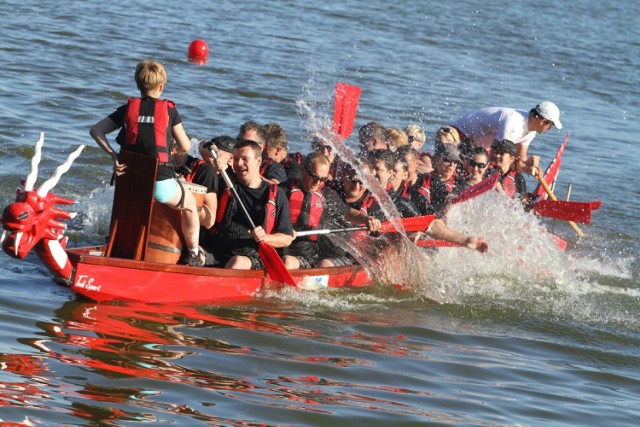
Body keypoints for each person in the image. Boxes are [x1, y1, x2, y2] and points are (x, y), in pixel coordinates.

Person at [89, 59, 204, 266]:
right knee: (190, 207)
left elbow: (96, 131)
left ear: (138, 84)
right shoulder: (170, 111)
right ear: (161, 87)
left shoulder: (126, 109)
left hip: (129, 182)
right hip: (159, 183)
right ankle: (194, 253)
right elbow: (186, 146)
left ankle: (116, 244)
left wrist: (114, 156)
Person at [282, 152, 380, 270]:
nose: (317, 183)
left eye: (322, 179)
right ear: (302, 168)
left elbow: (348, 213)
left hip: (307, 255)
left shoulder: (327, 195)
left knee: (287, 262)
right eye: (314, 177)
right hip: (280, 247)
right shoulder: (283, 190)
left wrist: (367, 219)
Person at [207, 139, 294, 270]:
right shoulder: (226, 180)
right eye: (236, 159)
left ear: (259, 161)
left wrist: (266, 237)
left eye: (245, 159)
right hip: (218, 250)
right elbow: (205, 148)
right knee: (192, 255)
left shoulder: (276, 195)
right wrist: (217, 156)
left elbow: (286, 238)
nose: (239, 164)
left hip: (252, 257)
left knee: (237, 262)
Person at [451, 102, 563, 172]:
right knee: (495, 165)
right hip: (459, 134)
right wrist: (522, 164)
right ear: (543, 121)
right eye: (550, 125)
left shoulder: (531, 131)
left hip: (478, 145)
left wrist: (529, 166)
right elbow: (497, 156)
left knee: (507, 167)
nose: (549, 129)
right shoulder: (513, 122)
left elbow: (521, 157)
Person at [171, 142, 218, 229]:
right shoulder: (152, 161)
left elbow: (210, 222)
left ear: (174, 149)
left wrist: (185, 193)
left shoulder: (204, 170)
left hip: (185, 230)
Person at [414, 143, 461, 214]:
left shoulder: (459, 184)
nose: (451, 165)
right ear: (435, 159)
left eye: (455, 162)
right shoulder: (423, 178)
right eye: (447, 160)